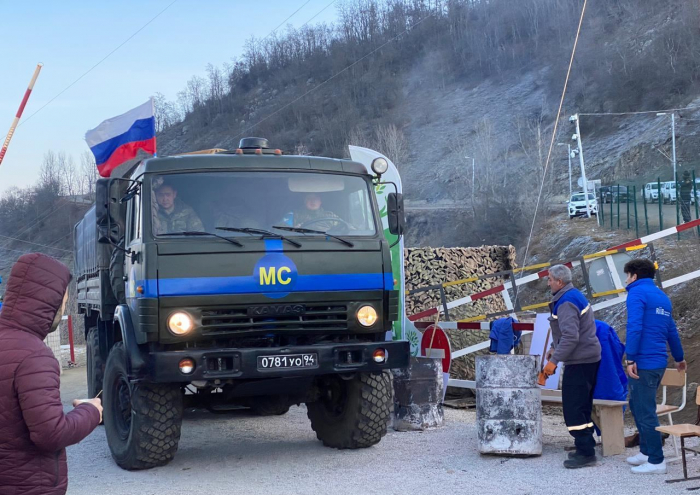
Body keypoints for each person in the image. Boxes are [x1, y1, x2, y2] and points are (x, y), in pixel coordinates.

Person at [0, 253, 102, 495]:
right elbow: (51, 434)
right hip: (27, 486)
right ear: (48, 302)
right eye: (63, 301)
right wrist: (91, 412)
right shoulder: (35, 356)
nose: (64, 307)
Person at [624, 258, 685, 475]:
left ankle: (657, 460)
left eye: (627, 275)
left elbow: (634, 326)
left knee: (645, 410)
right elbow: (671, 330)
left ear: (634, 275)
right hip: (658, 363)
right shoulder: (662, 296)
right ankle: (647, 451)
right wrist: (679, 357)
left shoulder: (637, 293)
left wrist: (630, 358)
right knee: (638, 406)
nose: (626, 280)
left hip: (644, 363)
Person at [541, 264, 601, 469]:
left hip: (580, 360)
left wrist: (552, 362)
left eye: (549, 279)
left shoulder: (565, 302)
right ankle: (586, 444)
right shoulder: (574, 295)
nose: (547, 282)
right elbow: (567, 333)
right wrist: (552, 347)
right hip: (589, 357)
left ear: (559, 281)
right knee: (583, 404)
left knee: (574, 407)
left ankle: (585, 453)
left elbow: (570, 337)